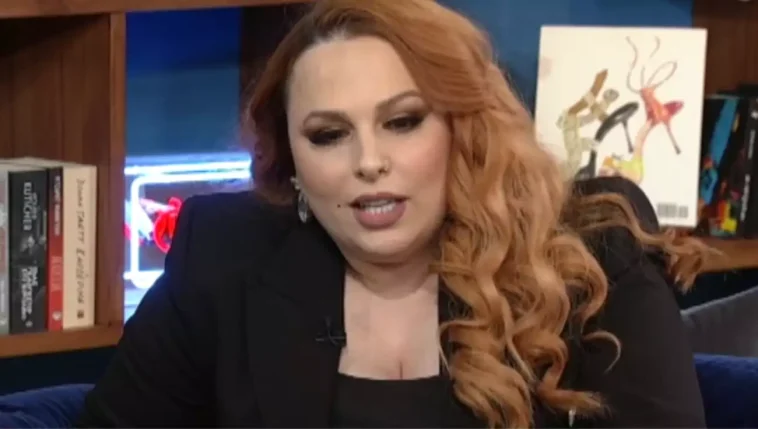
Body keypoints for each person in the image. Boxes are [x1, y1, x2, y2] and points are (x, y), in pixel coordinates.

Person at [76, 0, 709, 427]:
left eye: (403, 122)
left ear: (463, 129)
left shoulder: (591, 251)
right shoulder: (223, 257)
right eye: (329, 135)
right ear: (291, 162)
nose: (369, 161)